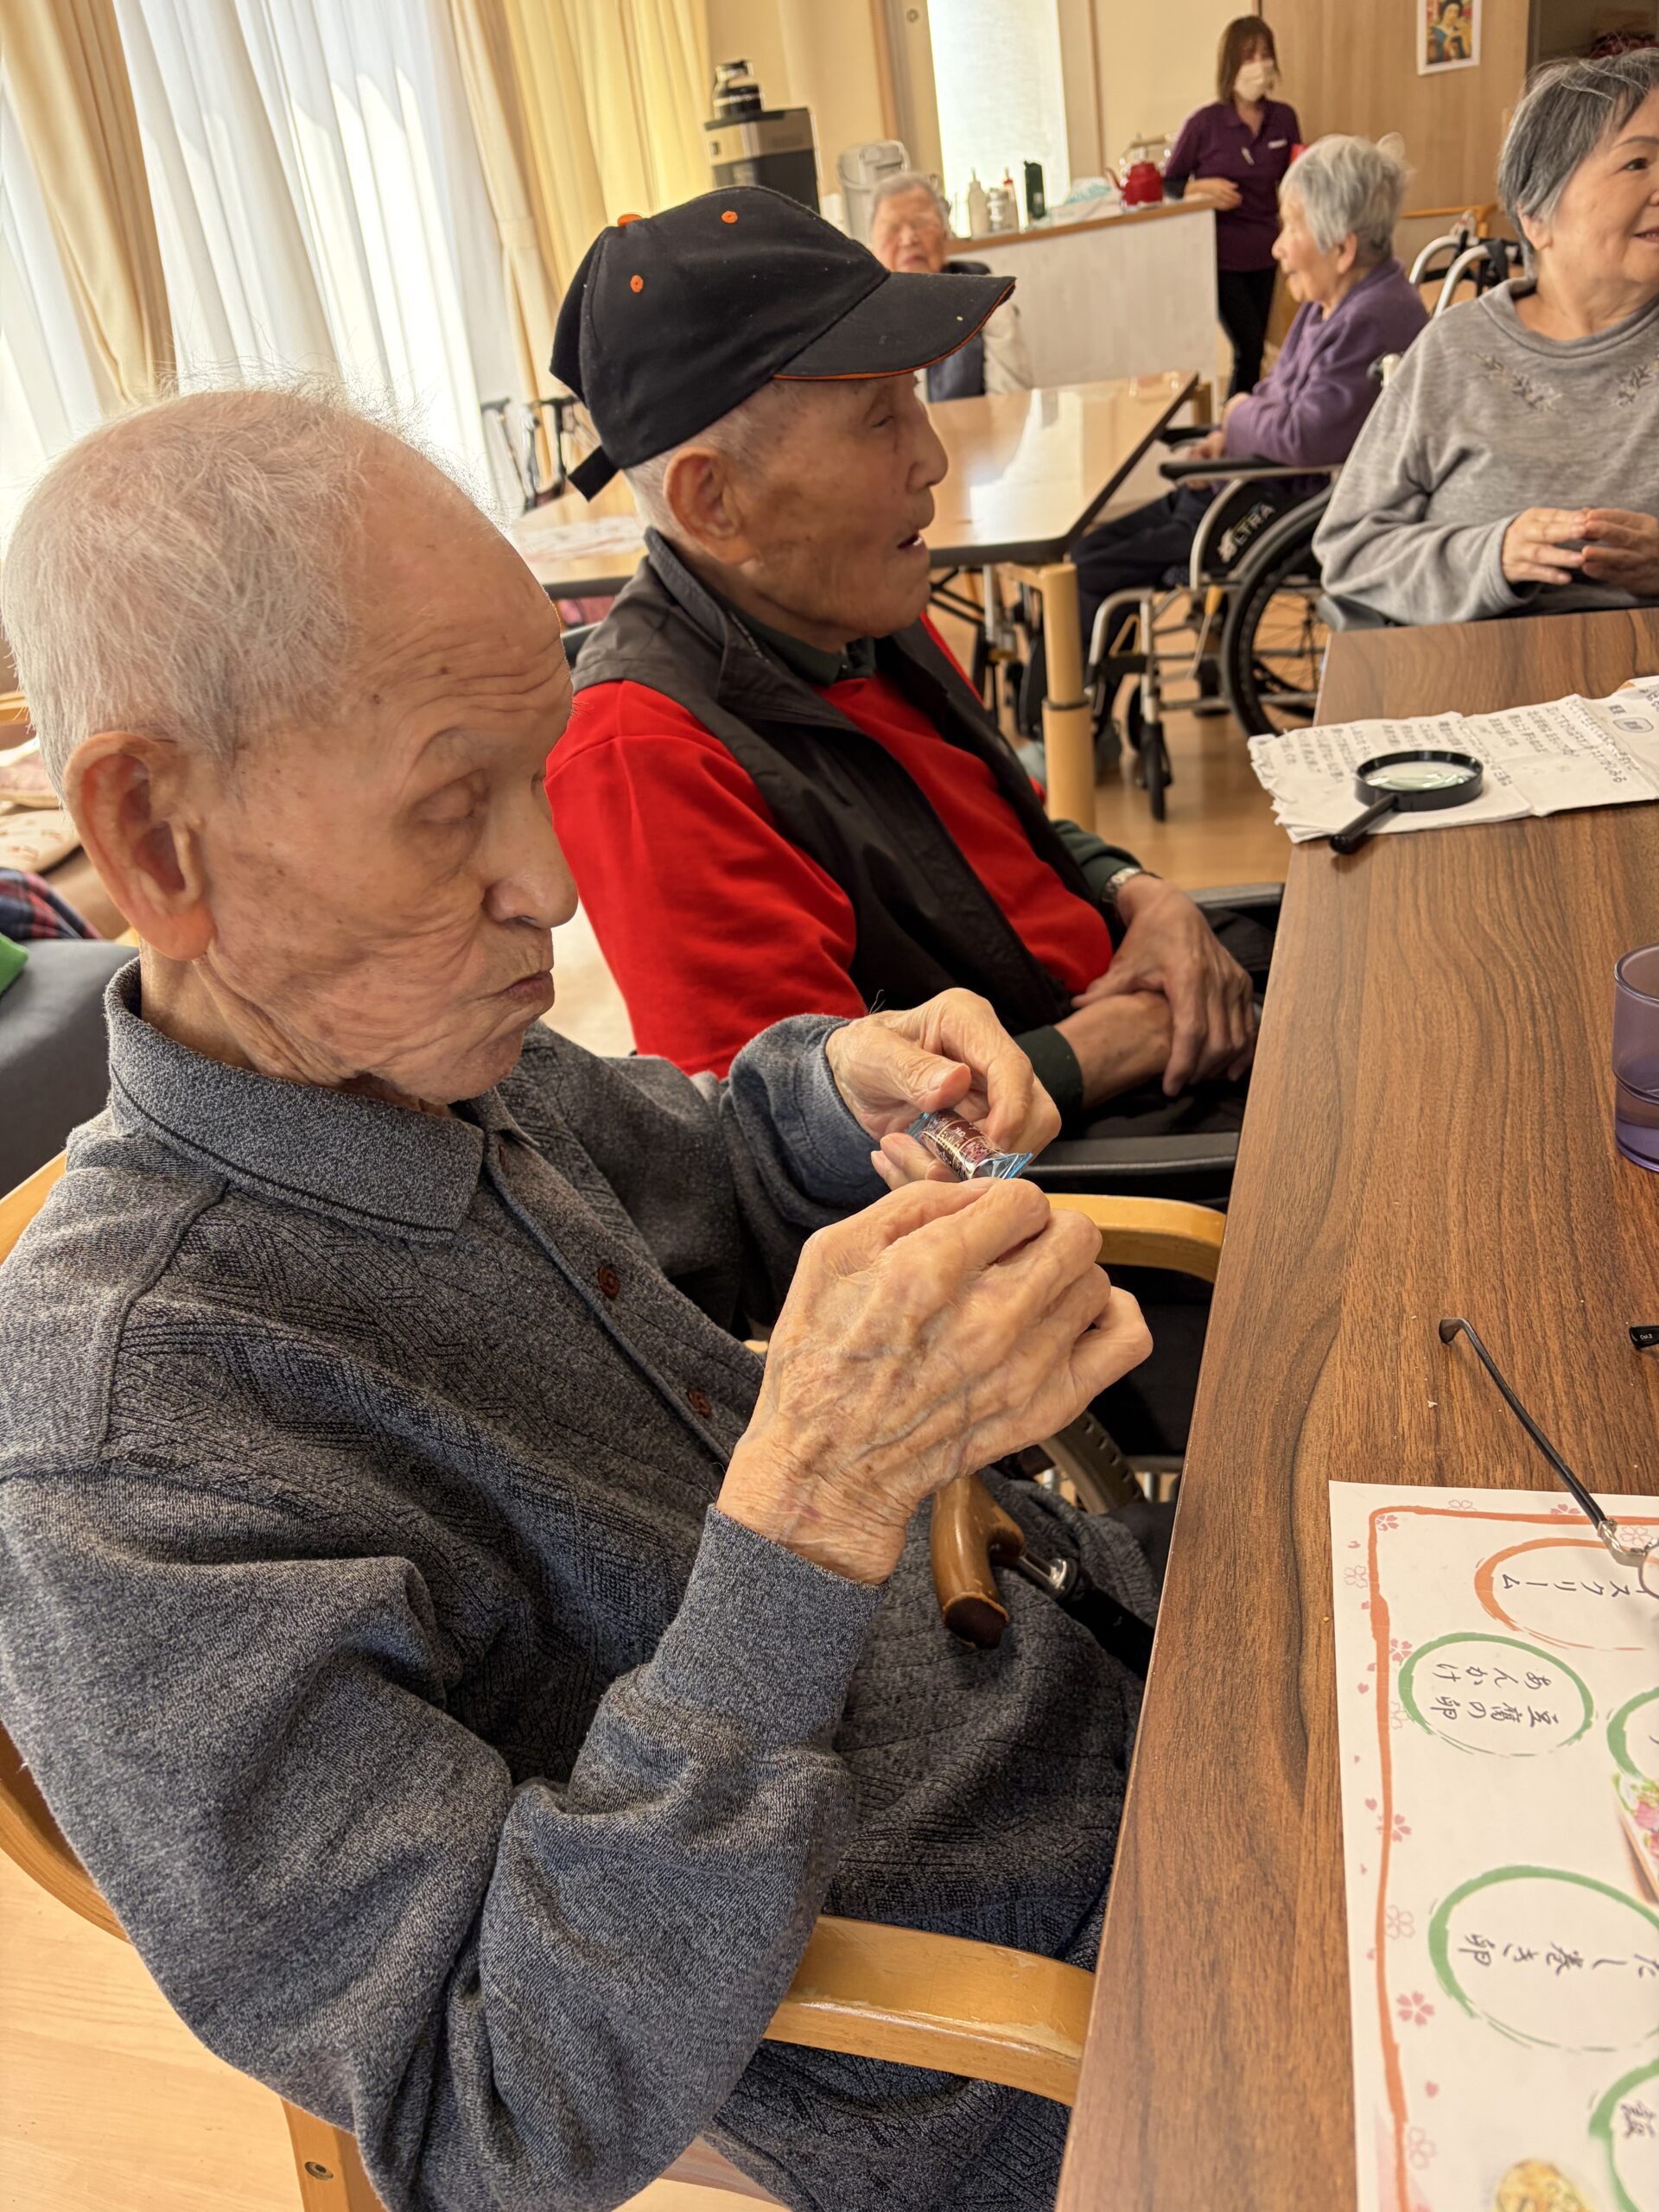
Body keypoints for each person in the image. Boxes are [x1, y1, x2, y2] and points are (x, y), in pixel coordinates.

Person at [0, 385, 1157, 2212]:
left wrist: (836, 1084)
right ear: (155, 842)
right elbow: (488, 2115)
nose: (548, 886)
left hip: (1077, 1653)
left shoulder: (414, 1051)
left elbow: (696, 1167)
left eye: (536, 769)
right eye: (449, 804)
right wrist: (814, 1506)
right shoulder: (128, 1452)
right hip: (1039, 2006)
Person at [549, 188, 1261, 1154]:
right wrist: (1118, 1042)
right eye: (879, 420)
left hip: (1124, 1014)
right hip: (1068, 1161)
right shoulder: (644, 751)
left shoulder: (850, 604)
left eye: (915, 401)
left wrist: (1144, 896)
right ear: (714, 499)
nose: (932, 458)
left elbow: (1015, 835)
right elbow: (801, 1156)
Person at [1315, 48, 1659, 627]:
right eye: (1637, 164)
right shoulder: (1454, 351)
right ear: (1536, 216)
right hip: (1474, 671)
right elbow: (1350, 552)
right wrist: (1493, 557)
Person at [1069, 134, 1428, 657]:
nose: (1277, 247)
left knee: (1089, 569)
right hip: (1244, 490)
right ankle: (1087, 695)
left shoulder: (1375, 318)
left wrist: (1237, 415)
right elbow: (1274, 392)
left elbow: (1304, 436)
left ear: (1342, 248)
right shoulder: (1328, 303)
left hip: (1277, 508)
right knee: (1087, 552)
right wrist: (1223, 437)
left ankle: (1061, 706)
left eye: (1291, 227)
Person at [1165, 16, 1302, 394]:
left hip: (1267, 249)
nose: (1259, 64)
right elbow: (1169, 183)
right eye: (1248, 56)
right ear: (1231, 65)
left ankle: (1244, 415)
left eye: (1265, 54)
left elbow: (1295, 179)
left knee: (1255, 351)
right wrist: (1201, 188)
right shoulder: (1204, 124)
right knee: (1249, 344)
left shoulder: (1283, 119)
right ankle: (1237, 418)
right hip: (1220, 256)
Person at [868, 170, 1034, 397]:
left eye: (921, 223)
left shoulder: (987, 302)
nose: (908, 239)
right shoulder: (860, 321)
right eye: (892, 229)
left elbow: (1012, 403)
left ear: (945, 235)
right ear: (872, 248)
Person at [1427, 0, 1471, 67]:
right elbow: (1433, 59)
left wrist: (1464, 38)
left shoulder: (1459, 32)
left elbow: (1466, 56)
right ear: (1443, 12)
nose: (1453, 15)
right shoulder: (1433, 32)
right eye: (1449, 11)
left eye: (1456, 12)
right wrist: (1450, 37)